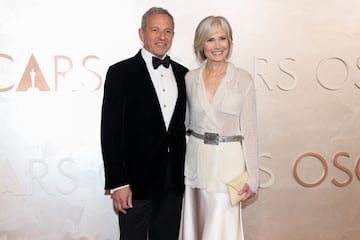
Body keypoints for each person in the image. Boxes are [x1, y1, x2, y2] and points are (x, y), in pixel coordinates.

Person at [100, 7, 188, 240]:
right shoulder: (120, 73)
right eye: (155, 30)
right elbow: (110, 132)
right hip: (135, 184)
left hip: (173, 182)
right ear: (142, 33)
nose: (162, 36)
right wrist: (119, 183)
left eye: (168, 31)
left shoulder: (184, 74)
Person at [180, 16, 259, 240]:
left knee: (221, 229)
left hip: (229, 169)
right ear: (201, 45)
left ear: (230, 41)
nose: (217, 46)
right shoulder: (190, 78)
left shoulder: (244, 79)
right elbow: (184, 124)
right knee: (196, 227)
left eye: (222, 39)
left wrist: (253, 178)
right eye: (210, 40)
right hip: (197, 164)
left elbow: (251, 133)